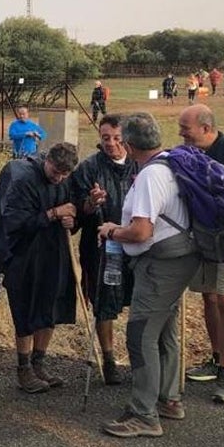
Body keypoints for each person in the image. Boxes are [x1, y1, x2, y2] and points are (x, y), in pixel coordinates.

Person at [96, 113, 199, 438]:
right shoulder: (170, 163)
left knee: (141, 335)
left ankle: (144, 413)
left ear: (128, 143)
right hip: (178, 258)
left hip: (159, 264)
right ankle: (168, 399)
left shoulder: (151, 175)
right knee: (164, 332)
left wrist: (113, 231)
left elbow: (141, 231)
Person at [178, 105, 224, 403]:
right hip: (203, 238)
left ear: (206, 128)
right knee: (208, 296)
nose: (181, 133)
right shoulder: (186, 152)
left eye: (186, 128)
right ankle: (217, 356)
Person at [0, 143, 80, 393]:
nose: (58, 178)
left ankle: (39, 362)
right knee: (25, 310)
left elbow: (73, 217)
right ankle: (23, 368)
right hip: (25, 256)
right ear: (48, 161)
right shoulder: (23, 179)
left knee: (50, 306)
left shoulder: (66, 182)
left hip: (55, 253)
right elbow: (15, 223)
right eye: (55, 171)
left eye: (64, 175)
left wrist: (71, 219)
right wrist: (54, 213)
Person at [69, 115, 137, 385]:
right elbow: (76, 210)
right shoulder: (89, 168)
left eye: (117, 138)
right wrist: (89, 203)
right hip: (101, 247)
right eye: (105, 137)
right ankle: (109, 360)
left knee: (140, 300)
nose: (111, 143)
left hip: (136, 242)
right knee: (104, 302)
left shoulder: (140, 163)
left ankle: (140, 358)